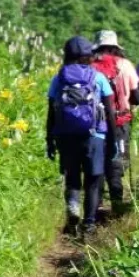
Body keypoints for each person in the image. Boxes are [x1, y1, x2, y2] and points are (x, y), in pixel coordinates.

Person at [46, 36, 116, 238]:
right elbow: (110, 112)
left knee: (73, 177)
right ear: (88, 56)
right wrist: (112, 141)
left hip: (66, 135)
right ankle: (89, 224)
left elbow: (51, 111)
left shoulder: (58, 79)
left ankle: (73, 206)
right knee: (93, 180)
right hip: (95, 136)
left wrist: (49, 139)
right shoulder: (98, 77)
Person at [91, 30, 139, 215]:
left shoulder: (90, 66)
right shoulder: (125, 65)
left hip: (96, 123)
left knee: (98, 159)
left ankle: (98, 203)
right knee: (117, 160)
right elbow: (136, 95)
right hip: (120, 120)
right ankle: (117, 205)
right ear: (116, 46)